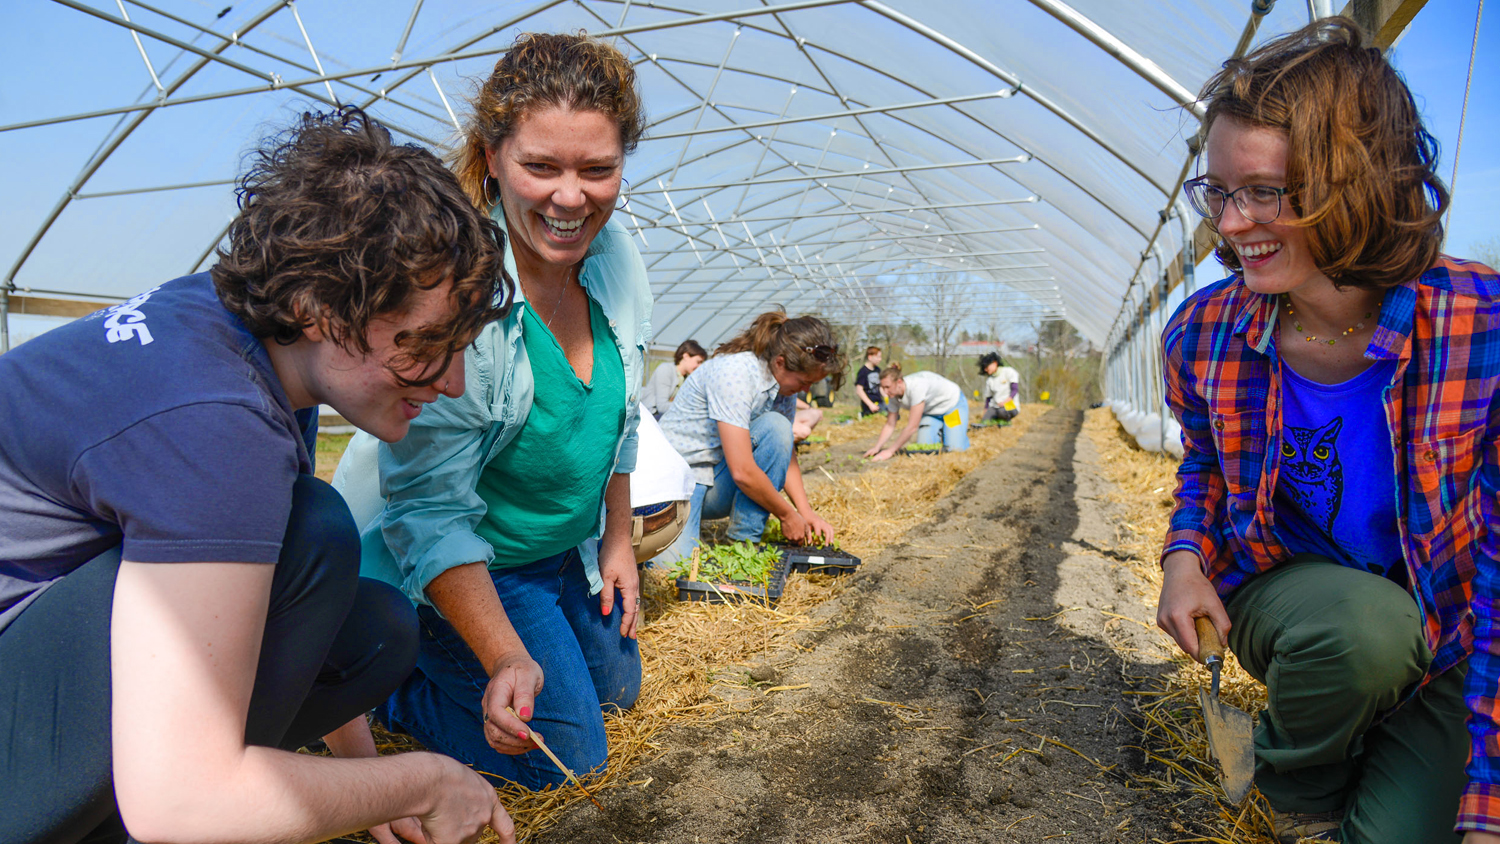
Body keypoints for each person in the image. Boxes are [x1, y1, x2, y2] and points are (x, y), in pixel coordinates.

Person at [0, 107, 516, 844]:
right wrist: (429, 782)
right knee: (317, 534)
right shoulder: (214, 420)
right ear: (318, 309)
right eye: (428, 342)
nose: (454, 380)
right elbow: (177, 802)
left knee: (373, 628)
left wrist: (372, 797)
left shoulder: (243, 339)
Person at [1153, 18, 1500, 844]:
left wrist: (1486, 806)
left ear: (1358, 181)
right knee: (1364, 633)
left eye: (1265, 192)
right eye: (1219, 192)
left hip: (1455, 636)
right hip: (1303, 600)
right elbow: (1205, 462)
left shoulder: (1479, 329)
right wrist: (1183, 557)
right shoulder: (1205, 332)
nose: (1232, 225)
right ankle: (1299, 786)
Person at [333, 31, 651, 791]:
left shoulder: (616, 262)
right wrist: (506, 656)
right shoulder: (458, 298)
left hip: (558, 554)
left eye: (597, 170)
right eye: (540, 166)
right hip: (475, 562)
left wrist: (617, 542)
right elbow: (431, 513)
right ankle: (391, 681)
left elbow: (621, 416)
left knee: (619, 692)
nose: (571, 197)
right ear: (491, 159)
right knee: (569, 758)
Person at [656, 313, 846, 561]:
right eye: (804, 381)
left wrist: (806, 512)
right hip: (678, 483)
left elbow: (783, 450)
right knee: (672, 572)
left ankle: (744, 544)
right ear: (780, 362)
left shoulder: (782, 388)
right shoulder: (735, 373)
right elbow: (743, 471)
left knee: (777, 427)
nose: (806, 390)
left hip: (714, 479)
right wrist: (788, 516)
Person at [865, 363, 970, 460]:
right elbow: (890, 424)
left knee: (955, 449)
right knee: (924, 449)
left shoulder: (916, 387)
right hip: (931, 413)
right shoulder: (893, 395)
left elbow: (912, 427)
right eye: (883, 388)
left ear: (899, 382)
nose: (885, 392)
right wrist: (877, 447)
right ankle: (942, 429)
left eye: (887, 387)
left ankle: (954, 433)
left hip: (951, 406)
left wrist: (890, 451)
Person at [641, 339, 706, 418]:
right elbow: (662, 406)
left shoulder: (685, 378)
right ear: (685, 356)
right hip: (651, 416)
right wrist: (692, 408)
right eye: (698, 362)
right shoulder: (666, 370)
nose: (699, 366)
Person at [978, 352, 1020, 424]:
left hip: (1010, 405)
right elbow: (988, 398)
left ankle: (1006, 423)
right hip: (995, 406)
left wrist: (1005, 402)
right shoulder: (989, 380)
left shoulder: (1009, 372)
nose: (985, 370)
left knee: (1001, 412)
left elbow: (1014, 390)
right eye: (984, 368)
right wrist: (985, 411)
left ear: (995, 363)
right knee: (985, 420)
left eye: (987, 367)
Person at [855, 346, 885, 416]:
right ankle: (862, 414)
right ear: (870, 357)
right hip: (869, 405)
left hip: (879, 402)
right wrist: (870, 405)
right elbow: (859, 390)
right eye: (878, 357)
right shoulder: (863, 372)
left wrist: (886, 396)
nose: (880, 359)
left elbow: (880, 386)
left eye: (880, 357)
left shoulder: (878, 370)